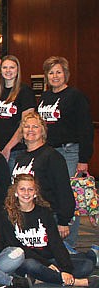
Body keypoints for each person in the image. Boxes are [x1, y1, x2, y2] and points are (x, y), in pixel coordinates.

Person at [38, 56, 93, 249]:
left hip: (69, 152)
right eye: (51, 72)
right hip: (48, 152)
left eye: (58, 72)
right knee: (50, 195)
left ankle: (69, 244)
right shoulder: (45, 97)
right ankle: (53, 240)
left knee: (68, 196)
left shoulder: (75, 96)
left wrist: (83, 159)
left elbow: (86, 129)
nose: (55, 76)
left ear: (66, 74)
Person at [5, 174, 99, 288]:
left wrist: (66, 269)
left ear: (35, 192)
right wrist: (47, 264)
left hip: (48, 259)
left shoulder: (44, 213)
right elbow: (16, 246)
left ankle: (43, 278)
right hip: (28, 260)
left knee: (86, 266)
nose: (26, 193)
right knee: (30, 265)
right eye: (22, 189)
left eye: (30, 189)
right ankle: (76, 282)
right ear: (16, 192)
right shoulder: (7, 214)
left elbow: (56, 243)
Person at [11, 112, 75, 245]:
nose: (30, 130)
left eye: (35, 126)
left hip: (48, 217)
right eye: (26, 127)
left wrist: (63, 221)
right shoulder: (20, 157)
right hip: (26, 216)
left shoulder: (52, 156)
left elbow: (63, 190)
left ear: (43, 131)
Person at [0, 55, 36, 166]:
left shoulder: (25, 92)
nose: (8, 71)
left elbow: (25, 124)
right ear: (0, 70)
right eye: (5, 68)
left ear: (18, 70)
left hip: (16, 150)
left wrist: (8, 148)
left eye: (12, 67)